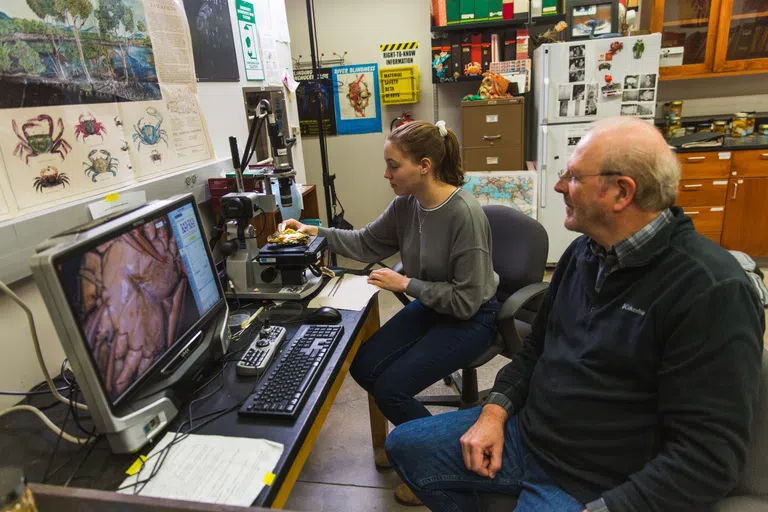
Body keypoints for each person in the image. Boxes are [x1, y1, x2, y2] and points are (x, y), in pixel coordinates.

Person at [384, 117, 765, 511]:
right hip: (529, 436)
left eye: (573, 176)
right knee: (406, 446)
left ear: (621, 192)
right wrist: (494, 412)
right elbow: (535, 351)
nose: (558, 185)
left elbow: (708, 457)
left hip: (596, 481)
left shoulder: (711, 289)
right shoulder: (584, 253)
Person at [279, 120, 500, 503]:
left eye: (394, 165)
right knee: (364, 367)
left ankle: (441, 465)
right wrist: (311, 232)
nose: (386, 174)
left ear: (425, 165)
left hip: (472, 315)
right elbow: (364, 244)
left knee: (392, 388)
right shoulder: (406, 205)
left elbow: (466, 300)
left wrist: (406, 285)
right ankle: (418, 443)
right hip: (433, 305)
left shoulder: (464, 213)